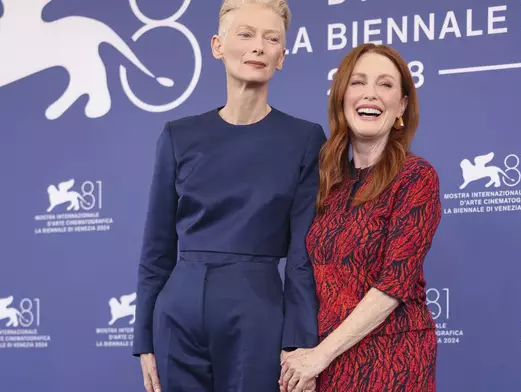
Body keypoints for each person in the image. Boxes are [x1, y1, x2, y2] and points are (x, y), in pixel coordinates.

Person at [132, 1, 325, 391]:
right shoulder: (177, 136)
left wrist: (299, 341)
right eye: (246, 34)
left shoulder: (305, 140)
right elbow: (156, 248)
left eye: (271, 39)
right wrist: (145, 339)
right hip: (177, 313)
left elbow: (304, 258)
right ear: (217, 46)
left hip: (258, 311)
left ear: (282, 57)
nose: (258, 46)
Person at [278, 43, 442, 392]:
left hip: (391, 360)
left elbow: (394, 284)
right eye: (358, 82)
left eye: (385, 85)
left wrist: (319, 356)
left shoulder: (416, 177)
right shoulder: (324, 182)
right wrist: (299, 352)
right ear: (341, 97)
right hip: (323, 363)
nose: (371, 94)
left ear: (401, 105)